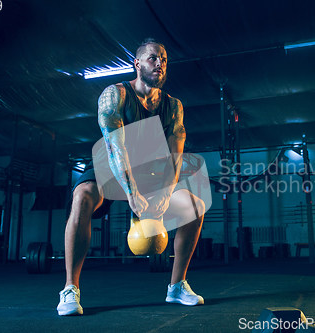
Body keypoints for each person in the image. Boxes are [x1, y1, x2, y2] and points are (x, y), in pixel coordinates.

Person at [57, 38, 206, 316]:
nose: (160, 63)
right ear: (137, 64)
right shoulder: (115, 95)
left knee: (195, 206)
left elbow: (175, 157)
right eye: (152, 58)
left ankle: (177, 285)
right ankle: (70, 288)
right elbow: (115, 147)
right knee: (83, 197)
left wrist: (163, 194)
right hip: (109, 165)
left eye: (164, 59)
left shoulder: (173, 106)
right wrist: (131, 192)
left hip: (149, 169)